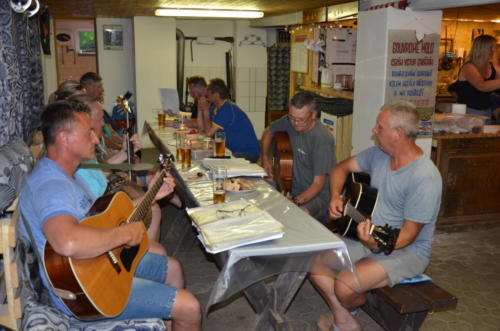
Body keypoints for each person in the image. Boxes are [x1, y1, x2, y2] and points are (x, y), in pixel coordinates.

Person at [19, 100, 201, 329]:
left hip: (97, 261)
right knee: (190, 306)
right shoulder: (52, 185)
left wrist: (151, 196)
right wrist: (125, 234)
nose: (96, 139)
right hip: (85, 290)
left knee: (173, 268)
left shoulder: (67, 174)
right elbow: (68, 242)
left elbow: (99, 219)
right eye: (89, 133)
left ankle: (163, 318)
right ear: (65, 138)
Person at [309, 100, 442, 331]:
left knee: (344, 287)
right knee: (313, 261)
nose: (374, 130)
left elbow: (409, 235)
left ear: (397, 133)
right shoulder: (379, 154)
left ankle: (351, 304)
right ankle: (344, 317)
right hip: (368, 236)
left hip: (407, 250)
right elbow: (340, 168)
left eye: (379, 127)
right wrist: (334, 197)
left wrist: (375, 244)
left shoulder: (425, 177)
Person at [69, 94, 177, 248]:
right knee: (154, 213)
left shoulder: (82, 153)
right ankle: (143, 257)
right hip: (104, 226)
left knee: (153, 207)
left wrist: (124, 153)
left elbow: (97, 173)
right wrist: (150, 196)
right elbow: (101, 219)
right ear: (89, 123)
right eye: (101, 119)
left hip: (105, 208)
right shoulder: (75, 164)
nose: (104, 123)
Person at [261, 91, 335, 224]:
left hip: (316, 198)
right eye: (291, 117)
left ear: (313, 115)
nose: (295, 123)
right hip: (290, 190)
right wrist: (265, 159)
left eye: (300, 119)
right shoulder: (291, 121)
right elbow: (269, 132)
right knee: (259, 198)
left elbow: (318, 184)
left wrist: (295, 201)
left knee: (293, 219)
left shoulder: (322, 139)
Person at [202, 78, 260, 162]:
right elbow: (202, 128)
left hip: (247, 152)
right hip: (231, 150)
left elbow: (208, 134)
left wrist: (205, 110)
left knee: (218, 164)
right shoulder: (215, 108)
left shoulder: (226, 109)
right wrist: (200, 109)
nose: (206, 98)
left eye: (207, 95)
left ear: (215, 95)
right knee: (206, 160)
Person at [454, 34, 500, 123]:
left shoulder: (493, 66)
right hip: (468, 113)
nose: (496, 50)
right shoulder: (469, 67)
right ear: (484, 49)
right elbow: (482, 86)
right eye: (493, 47)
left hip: (486, 111)